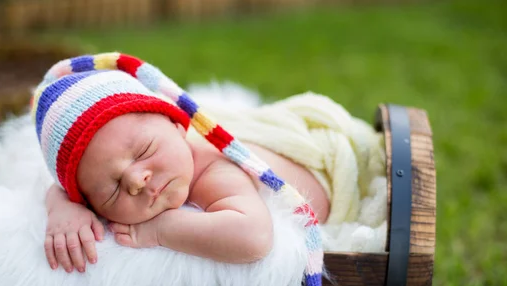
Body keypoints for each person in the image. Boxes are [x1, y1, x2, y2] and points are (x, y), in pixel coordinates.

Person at [36, 53, 329, 273]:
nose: (137, 181)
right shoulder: (117, 172)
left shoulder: (215, 171)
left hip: (323, 180)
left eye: (144, 151)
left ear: (178, 126)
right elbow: (71, 187)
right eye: (112, 190)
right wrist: (62, 206)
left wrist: (161, 229)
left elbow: (255, 237)